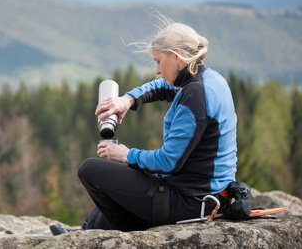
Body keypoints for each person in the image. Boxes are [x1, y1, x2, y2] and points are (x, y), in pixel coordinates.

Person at [53, 20, 238, 234]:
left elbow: (169, 162)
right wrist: (128, 100)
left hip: (191, 203)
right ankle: (85, 235)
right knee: (113, 190)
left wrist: (127, 155)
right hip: (206, 195)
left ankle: (130, 232)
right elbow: (163, 87)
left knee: (90, 170)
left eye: (159, 61)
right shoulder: (208, 80)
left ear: (177, 56)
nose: (158, 70)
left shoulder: (195, 95)